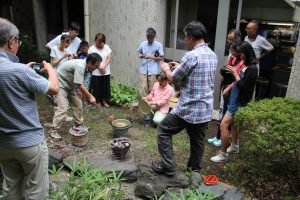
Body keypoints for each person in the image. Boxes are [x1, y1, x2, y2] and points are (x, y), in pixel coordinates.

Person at [0, 17, 59, 199]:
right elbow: (54, 88)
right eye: (18, 41)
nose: (17, 45)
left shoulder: (18, 70)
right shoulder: (19, 71)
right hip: (29, 142)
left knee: (11, 188)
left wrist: (22, 70)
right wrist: (50, 69)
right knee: (36, 191)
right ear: (11, 41)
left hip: (3, 144)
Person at [151, 21, 217, 176]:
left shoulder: (191, 55)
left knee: (163, 131)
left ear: (192, 37)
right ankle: (193, 172)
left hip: (188, 109)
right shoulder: (212, 55)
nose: (185, 40)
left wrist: (167, 68)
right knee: (197, 141)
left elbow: (173, 79)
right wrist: (179, 65)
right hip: (205, 109)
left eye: (186, 37)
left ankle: (168, 166)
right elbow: (195, 73)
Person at [211, 41, 258, 162]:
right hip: (234, 99)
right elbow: (237, 83)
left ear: (247, 53)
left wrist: (235, 74)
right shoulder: (246, 65)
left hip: (239, 102)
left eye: (241, 53)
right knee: (234, 125)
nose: (239, 55)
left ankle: (223, 154)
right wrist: (229, 88)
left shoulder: (253, 68)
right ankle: (234, 146)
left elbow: (245, 87)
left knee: (223, 125)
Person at [48, 53, 101, 139]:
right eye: (96, 65)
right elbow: (80, 84)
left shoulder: (87, 67)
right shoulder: (81, 66)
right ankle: (53, 130)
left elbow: (77, 80)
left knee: (78, 104)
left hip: (71, 85)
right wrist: (90, 96)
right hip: (60, 83)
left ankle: (78, 125)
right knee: (63, 108)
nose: (97, 67)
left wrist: (77, 89)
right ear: (90, 62)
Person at [208, 37, 243, 147]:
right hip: (225, 86)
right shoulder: (233, 59)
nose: (231, 53)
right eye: (230, 50)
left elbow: (237, 78)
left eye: (233, 51)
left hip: (231, 89)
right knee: (222, 111)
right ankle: (218, 136)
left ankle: (224, 138)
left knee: (226, 114)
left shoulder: (241, 62)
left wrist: (228, 88)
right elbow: (227, 68)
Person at [138, 27, 164, 97]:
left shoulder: (159, 45)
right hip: (143, 69)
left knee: (152, 89)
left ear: (154, 36)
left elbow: (161, 58)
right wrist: (140, 55)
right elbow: (139, 52)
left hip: (153, 70)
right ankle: (143, 105)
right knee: (143, 88)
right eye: (148, 37)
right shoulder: (143, 43)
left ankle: (151, 105)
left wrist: (150, 57)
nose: (149, 39)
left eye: (151, 37)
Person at [89, 33, 112, 107]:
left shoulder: (106, 47)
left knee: (105, 86)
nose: (100, 43)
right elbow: (90, 59)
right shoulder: (92, 48)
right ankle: (97, 101)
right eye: (98, 41)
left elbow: (109, 57)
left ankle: (104, 101)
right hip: (96, 71)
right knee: (97, 87)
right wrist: (99, 66)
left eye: (102, 41)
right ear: (95, 40)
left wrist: (104, 66)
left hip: (106, 71)